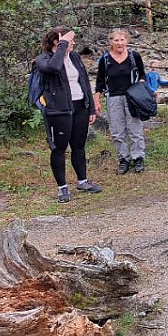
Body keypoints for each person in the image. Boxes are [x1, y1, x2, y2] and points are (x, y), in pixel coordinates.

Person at [34, 26, 102, 203]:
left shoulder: (75, 57)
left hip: (80, 106)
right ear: (57, 42)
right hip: (58, 110)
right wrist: (62, 45)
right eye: (69, 40)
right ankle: (62, 188)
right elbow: (54, 68)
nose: (73, 43)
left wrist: (91, 108)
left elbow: (84, 81)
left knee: (78, 146)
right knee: (59, 148)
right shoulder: (43, 60)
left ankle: (83, 181)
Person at [95, 29, 148, 175]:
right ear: (111, 42)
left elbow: (142, 74)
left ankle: (138, 158)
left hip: (132, 97)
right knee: (117, 131)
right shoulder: (104, 59)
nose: (119, 43)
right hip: (113, 97)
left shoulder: (134, 56)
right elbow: (99, 82)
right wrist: (97, 100)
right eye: (116, 40)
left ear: (127, 41)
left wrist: (142, 84)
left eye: (122, 40)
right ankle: (123, 159)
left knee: (135, 129)